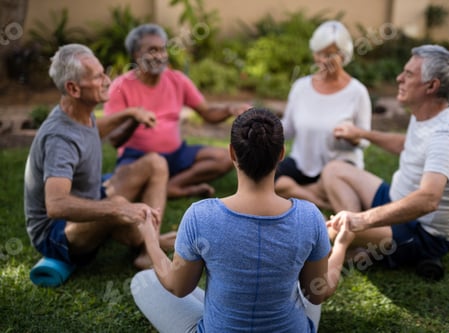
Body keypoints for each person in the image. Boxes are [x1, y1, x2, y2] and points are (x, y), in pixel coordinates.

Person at [130, 108, 355, 332]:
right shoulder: (310, 216)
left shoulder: (200, 216)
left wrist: (150, 237)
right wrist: (341, 245)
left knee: (142, 280)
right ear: (281, 154)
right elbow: (317, 294)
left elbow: (178, 286)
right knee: (304, 285)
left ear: (232, 153)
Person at [323, 44, 449, 271]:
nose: (399, 78)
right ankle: (358, 243)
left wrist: (361, 220)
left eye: (409, 74)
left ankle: (359, 243)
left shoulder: (447, 135)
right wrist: (361, 133)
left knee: (335, 229)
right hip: (395, 199)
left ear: (432, 86)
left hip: (421, 231)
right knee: (334, 170)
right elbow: (406, 144)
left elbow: (428, 199)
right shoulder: (426, 113)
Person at [24, 43, 175, 270]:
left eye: (104, 72)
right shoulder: (60, 139)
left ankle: (147, 250)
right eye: (98, 77)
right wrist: (118, 209)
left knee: (155, 163)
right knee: (123, 212)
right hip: (56, 234)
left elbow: (91, 132)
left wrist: (130, 113)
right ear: (74, 89)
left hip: (91, 197)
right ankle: (145, 241)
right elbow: (55, 205)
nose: (107, 80)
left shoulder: (78, 112)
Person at [104, 23, 249, 199]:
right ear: (136, 54)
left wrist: (229, 109)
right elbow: (114, 139)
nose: (160, 56)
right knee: (121, 185)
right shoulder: (120, 86)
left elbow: (207, 112)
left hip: (176, 154)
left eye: (163, 50)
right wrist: (134, 118)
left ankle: (171, 186)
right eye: (152, 50)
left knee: (225, 158)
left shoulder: (177, 79)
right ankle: (163, 186)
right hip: (137, 157)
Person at [275, 20, 372, 210]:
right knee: (269, 180)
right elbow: (288, 128)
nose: (323, 60)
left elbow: (365, 139)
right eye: (319, 53)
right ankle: (321, 200)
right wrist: (264, 123)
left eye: (330, 54)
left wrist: (353, 137)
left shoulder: (357, 92)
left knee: (289, 187)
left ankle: (301, 193)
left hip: (338, 166)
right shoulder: (301, 87)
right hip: (302, 163)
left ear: (344, 55)